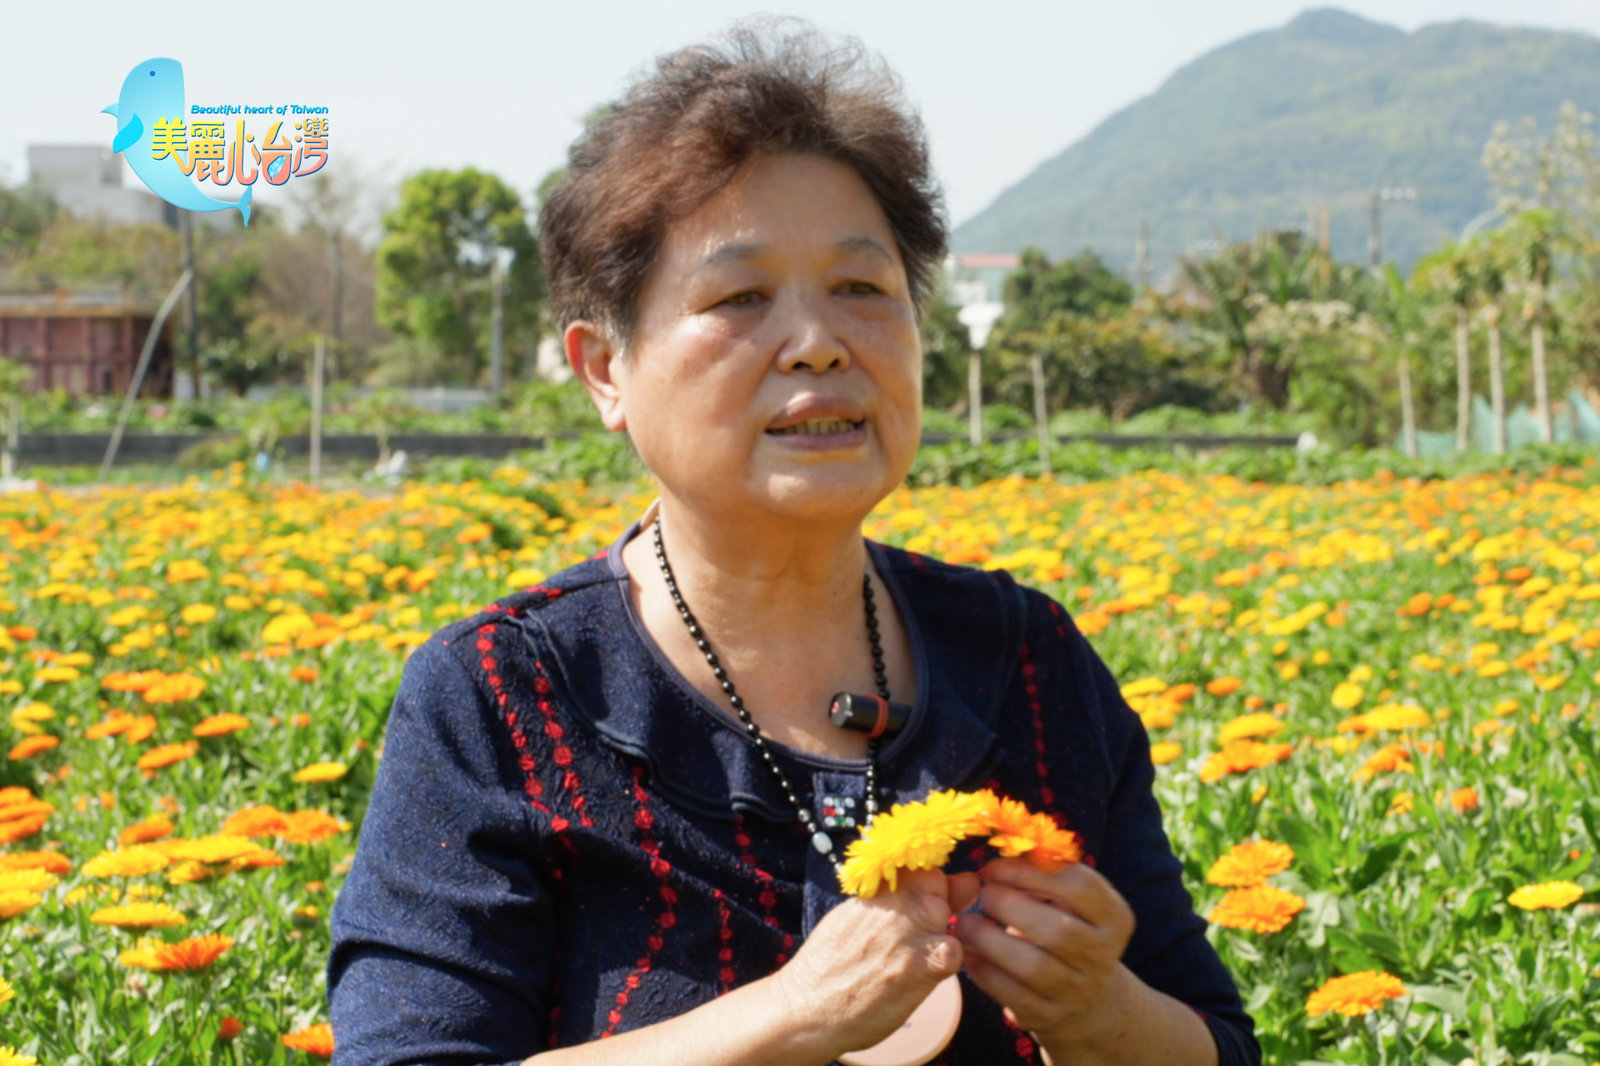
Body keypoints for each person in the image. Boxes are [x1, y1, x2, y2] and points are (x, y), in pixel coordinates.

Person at [328, 24, 1260, 1066]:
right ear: (604, 370)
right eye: (739, 297)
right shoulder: (502, 699)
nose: (818, 339)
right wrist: (789, 1018)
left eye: (863, 288)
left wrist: (1102, 1012)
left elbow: (1215, 1044)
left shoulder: (1026, 664)